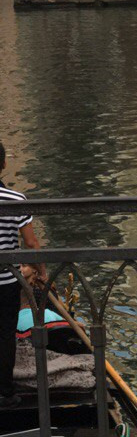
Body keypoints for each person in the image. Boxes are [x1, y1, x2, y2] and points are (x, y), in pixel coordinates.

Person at [0, 141, 46, 407]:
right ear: (4, 164)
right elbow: (31, 243)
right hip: (7, 279)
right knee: (6, 334)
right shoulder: (16, 200)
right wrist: (42, 271)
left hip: (8, 277)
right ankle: (5, 392)